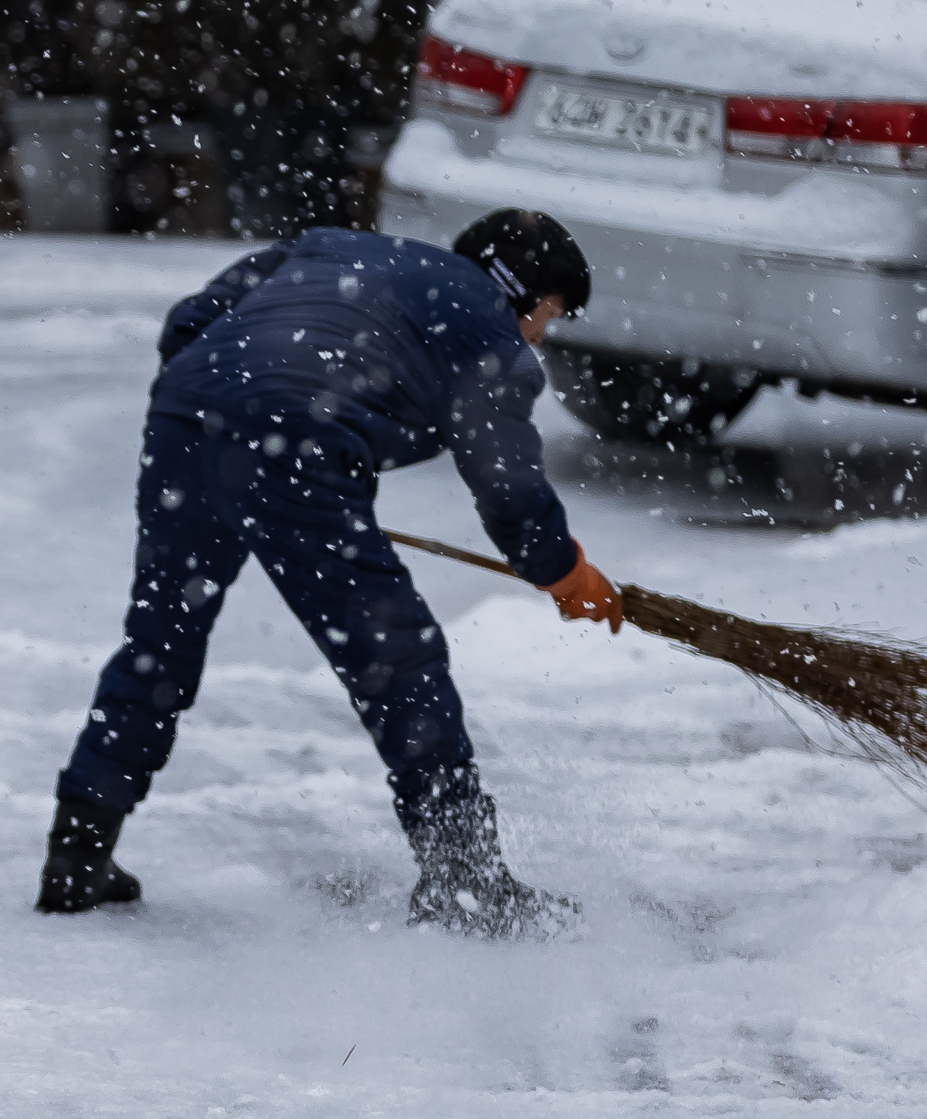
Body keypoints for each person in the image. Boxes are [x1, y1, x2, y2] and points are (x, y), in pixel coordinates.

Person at [37, 209, 621, 938]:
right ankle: (466, 884)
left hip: (187, 418)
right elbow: (505, 484)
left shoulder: (333, 249)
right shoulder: (485, 327)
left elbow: (194, 319)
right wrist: (562, 571)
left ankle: (78, 850)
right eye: (551, 315)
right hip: (296, 441)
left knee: (162, 636)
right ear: (525, 294)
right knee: (397, 657)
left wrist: (225, 424)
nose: (541, 335)